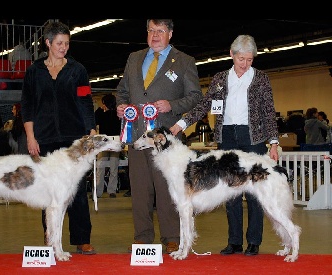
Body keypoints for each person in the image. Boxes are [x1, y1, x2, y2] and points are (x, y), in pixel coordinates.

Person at [170, 34, 279, 257]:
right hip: (226, 135)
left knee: (256, 191)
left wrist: (274, 143)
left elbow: (269, 111)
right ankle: (234, 241)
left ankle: (254, 241)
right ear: (232, 54)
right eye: (241, 59)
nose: (245, 64)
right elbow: (203, 106)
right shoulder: (220, 78)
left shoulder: (261, 79)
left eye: (250, 59)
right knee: (229, 191)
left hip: (253, 136)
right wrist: (180, 124)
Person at [116, 19, 202, 253]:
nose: (154, 35)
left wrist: (171, 105)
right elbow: (122, 90)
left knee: (168, 190)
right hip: (137, 136)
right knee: (140, 189)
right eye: (151, 30)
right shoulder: (134, 58)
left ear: (170, 34)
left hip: (167, 141)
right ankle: (142, 237)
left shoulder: (184, 61)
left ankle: (171, 237)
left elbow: (195, 96)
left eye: (160, 31)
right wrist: (122, 106)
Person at [21, 21, 97, 255]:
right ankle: (51, 239)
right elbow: (28, 106)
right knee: (49, 193)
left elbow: (85, 101)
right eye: (59, 43)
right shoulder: (34, 71)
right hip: (44, 139)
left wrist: (91, 129)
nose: (64, 47)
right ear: (47, 43)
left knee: (76, 193)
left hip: (73, 139)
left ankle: (82, 239)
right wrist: (31, 137)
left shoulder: (78, 70)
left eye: (66, 43)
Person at [94, 94, 121, 198]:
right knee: (100, 167)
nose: (102, 104)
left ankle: (112, 190)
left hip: (115, 142)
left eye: (103, 102)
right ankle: (98, 191)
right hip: (103, 143)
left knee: (114, 167)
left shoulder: (117, 113)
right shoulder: (100, 112)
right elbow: (94, 122)